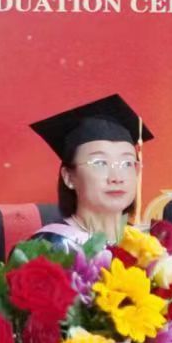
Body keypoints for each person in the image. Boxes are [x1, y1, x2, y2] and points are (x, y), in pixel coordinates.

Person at [26, 93, 149, 253]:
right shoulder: (49, 248)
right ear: (69, 177)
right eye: (100, 163)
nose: (116, 178)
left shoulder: (145, 246)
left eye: (127, 163)